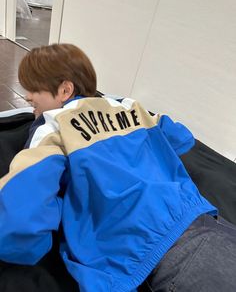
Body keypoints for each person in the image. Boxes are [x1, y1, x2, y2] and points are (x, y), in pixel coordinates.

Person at [0, 44, 236, 292]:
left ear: (64, 90)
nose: (27, 97)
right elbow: (180, 137)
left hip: (155, 258)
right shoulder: (128, 105)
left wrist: (60, 208)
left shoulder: (52, 125)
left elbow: (17, 222)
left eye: (33, 89)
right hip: (207, 223)